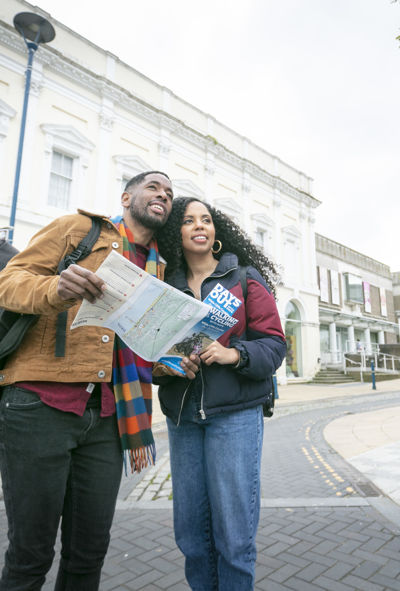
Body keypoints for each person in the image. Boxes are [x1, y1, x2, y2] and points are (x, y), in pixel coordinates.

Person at [0, 171, 174, 590]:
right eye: (153, 188)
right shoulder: (78, 229)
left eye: (169, 193)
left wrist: (170, 362)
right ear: (127, 197)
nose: (163, 195)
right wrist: (57, 287)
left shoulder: (159, 267)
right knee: (29, 556)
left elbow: (139, 345)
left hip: (109, 417)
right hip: (39, 404)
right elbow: (6, 283)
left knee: (89, 554)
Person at [154, 197, 286, 590]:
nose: (199, 225)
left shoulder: (242, 278)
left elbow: (275, 345)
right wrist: (165, 366)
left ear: (215, 232)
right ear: (176, 231)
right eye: (189, 219)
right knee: (192, 537)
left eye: (206, 219)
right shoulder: (166, 286)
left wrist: (234, 353)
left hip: (235, 417)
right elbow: (151, 355)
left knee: (234, 536)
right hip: (183, 419)